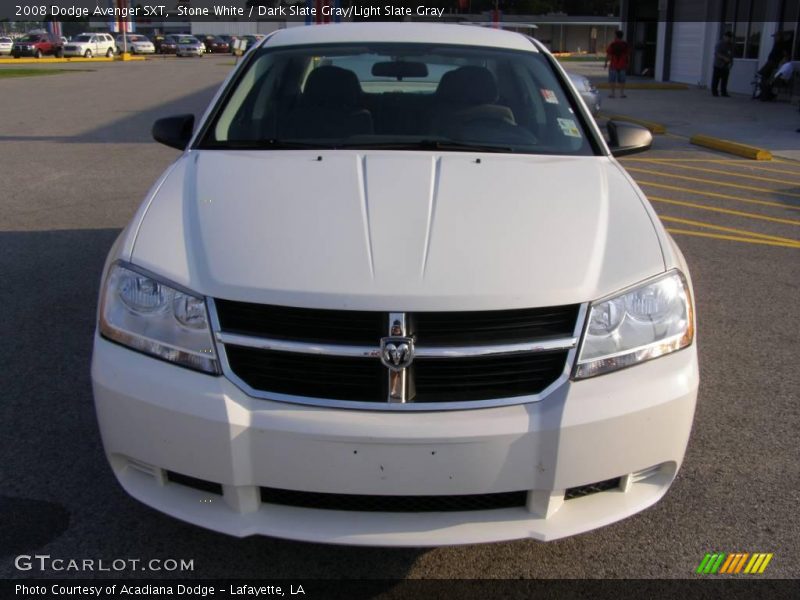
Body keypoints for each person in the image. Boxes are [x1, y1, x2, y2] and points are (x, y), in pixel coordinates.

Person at [604, 30, 630, 99]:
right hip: (622, 65)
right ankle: (622, 93)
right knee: (622, 80)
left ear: (616, 36)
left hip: (613, 65)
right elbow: (627, 55)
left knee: (612, 80)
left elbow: (608, 55)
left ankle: (612, 94)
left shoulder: (612, 44)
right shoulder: (625, 44)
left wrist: (606, 63)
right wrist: (627, 63)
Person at [711, 31, 734, 97]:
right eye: (727, 37)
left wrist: (731, 63)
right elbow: (717, 54)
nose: (729, 39)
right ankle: (714, 92)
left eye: (730, 37)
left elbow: (731, 55)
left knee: (725, 80)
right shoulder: (719, 44)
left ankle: (724, 92)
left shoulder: (730, 45)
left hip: (726, 66)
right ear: (724, 37)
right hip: (718, 65)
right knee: (716, 79)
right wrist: (724, 58)